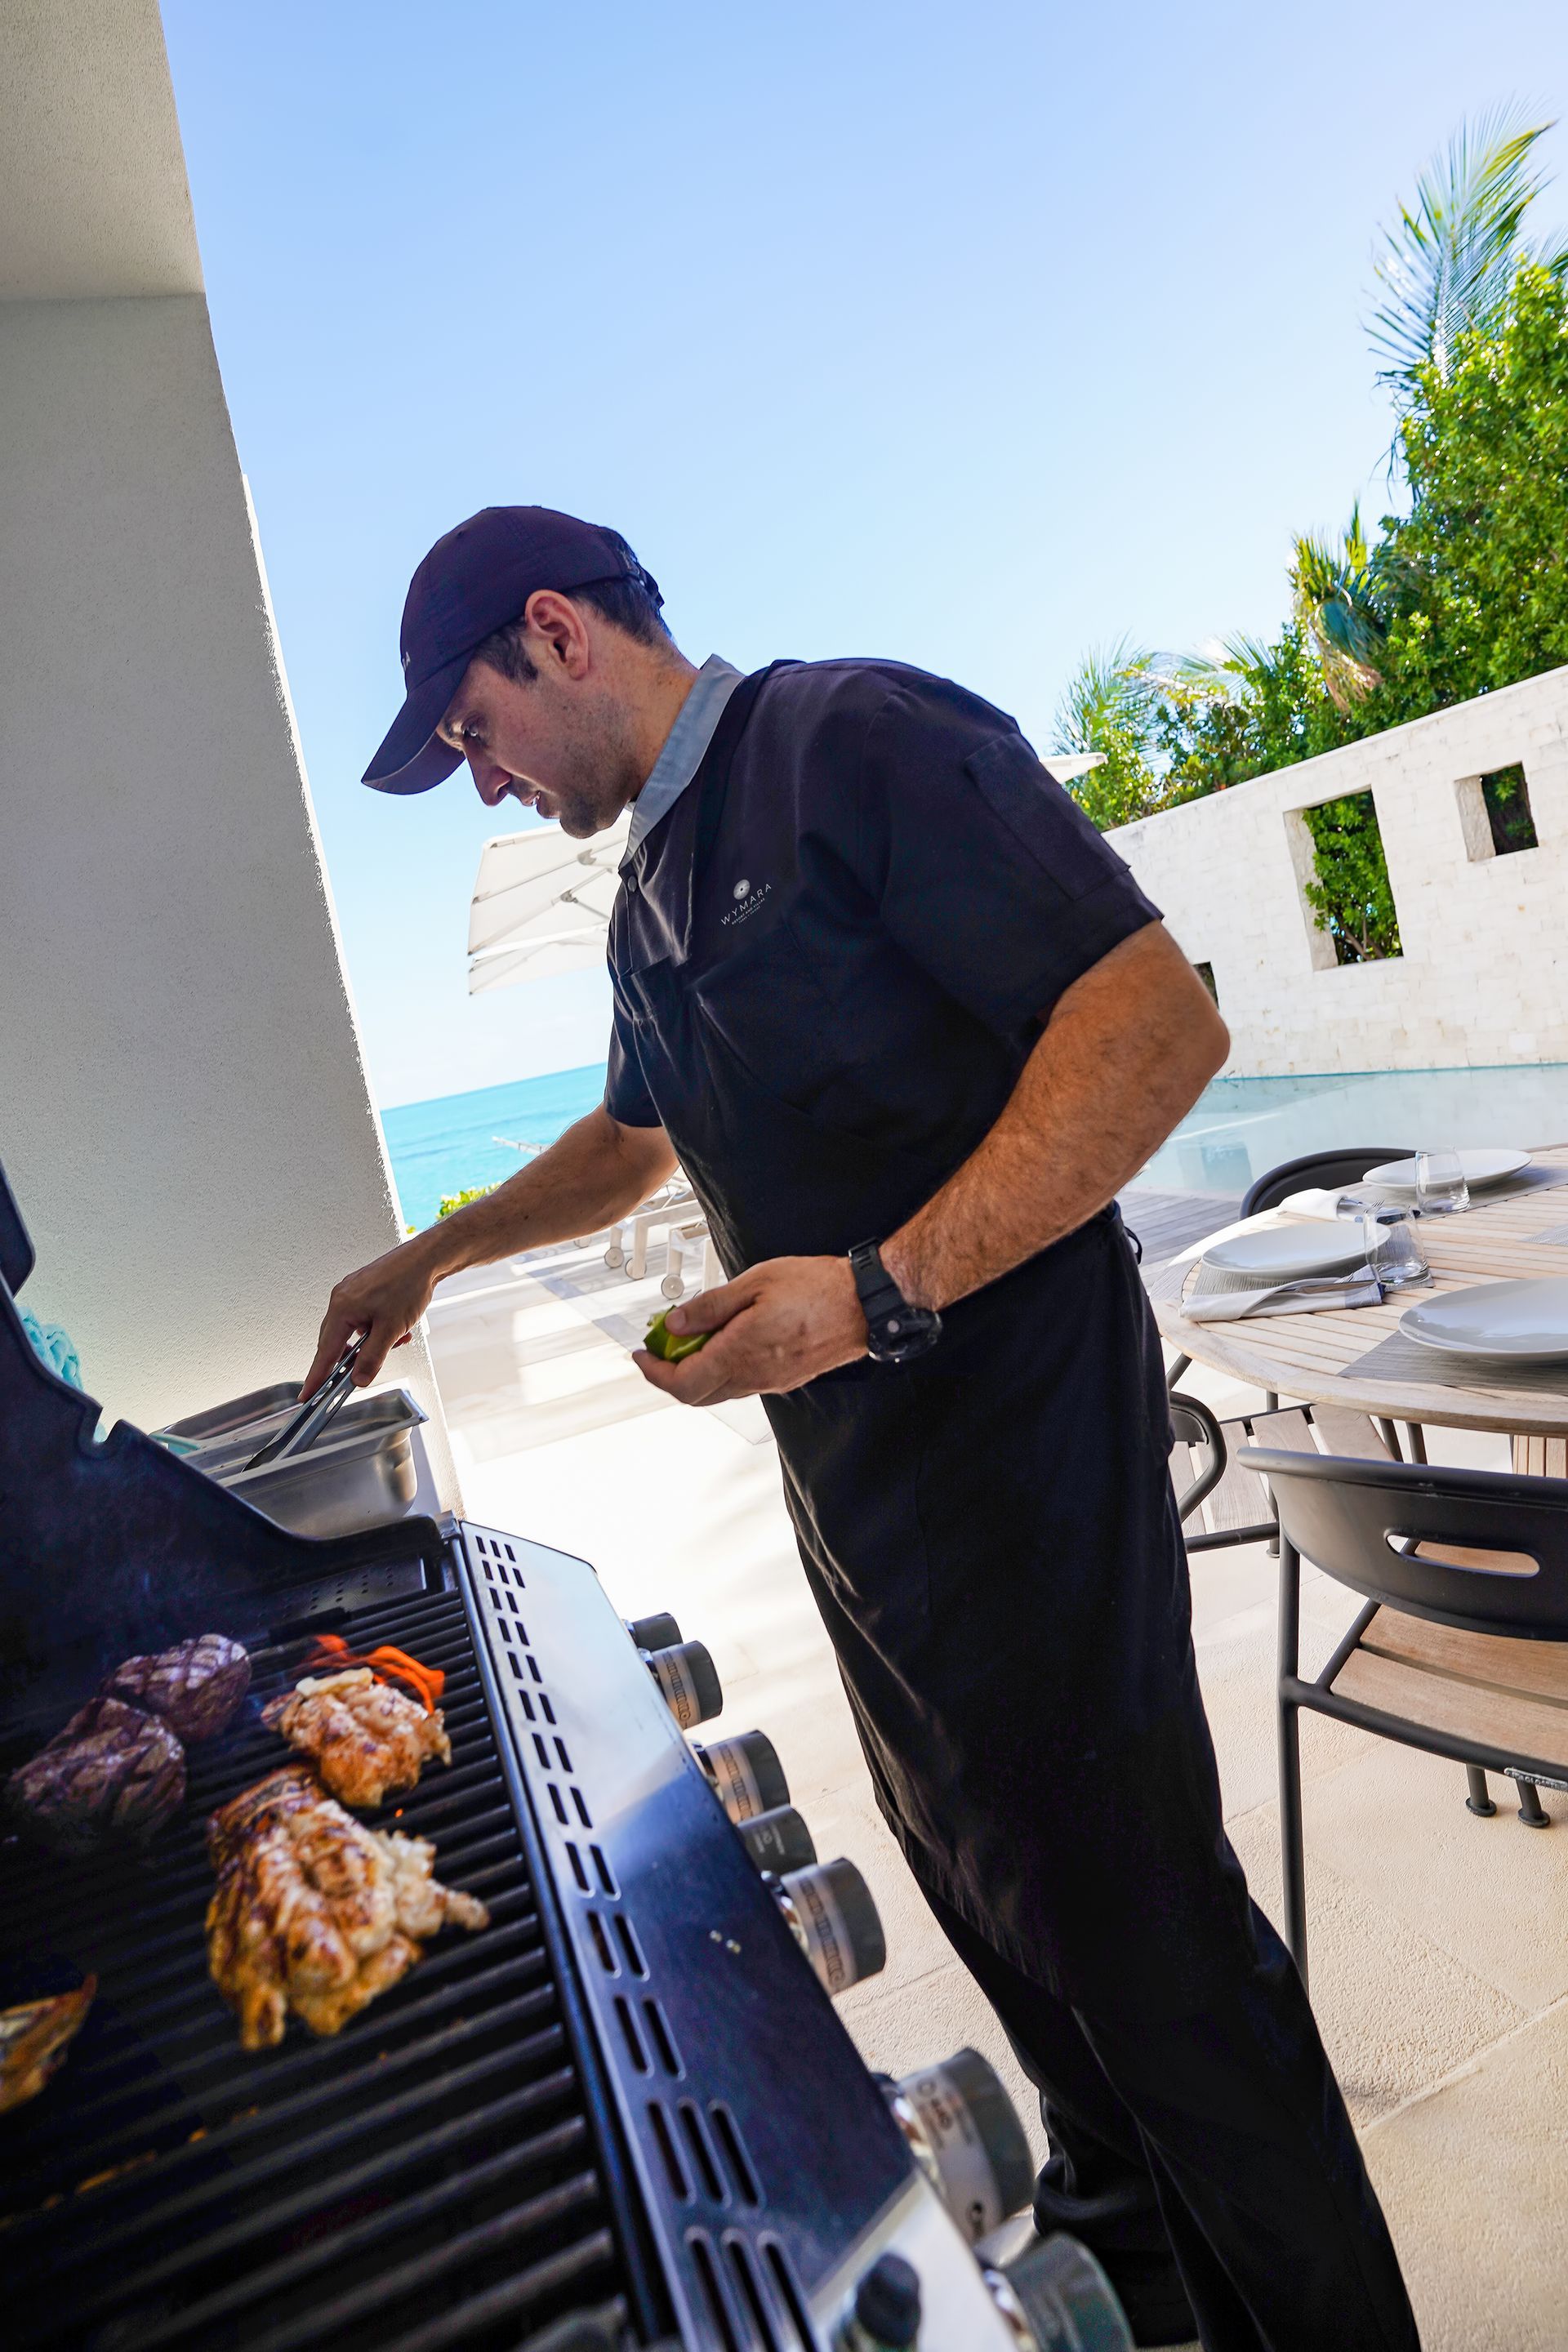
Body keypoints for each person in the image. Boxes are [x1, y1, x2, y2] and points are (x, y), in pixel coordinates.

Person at [310, 506, 1420, 2352]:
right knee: (1026, 1971)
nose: (486, 789)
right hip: (869, 1537)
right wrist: (438, 1250)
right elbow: (634, 1139)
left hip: (1031, 1484)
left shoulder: (856, 741)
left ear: (558, 632)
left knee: (1167, 1985)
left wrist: (875, 1289)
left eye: (475, 736)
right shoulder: (651, 888)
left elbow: (1151, 1027)